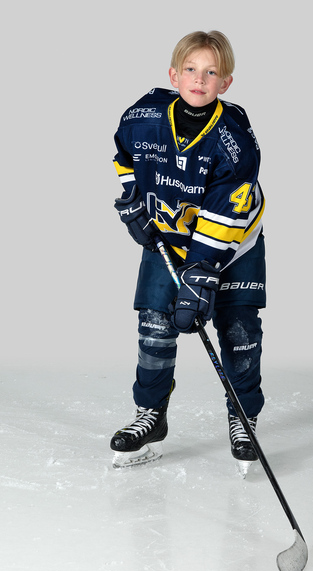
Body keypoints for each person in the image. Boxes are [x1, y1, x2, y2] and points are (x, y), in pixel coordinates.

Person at [110, 31, 266, 472]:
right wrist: (133, 200)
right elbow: (125, 157)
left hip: (232, 244)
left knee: (237, 330)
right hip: (169, 237)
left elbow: (226, 212)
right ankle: (151, 414)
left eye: (211, 72)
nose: (200, 79)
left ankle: (244, 417)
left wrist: (201, 274)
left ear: (225, 83)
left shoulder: (234, 140)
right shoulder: (142, 117)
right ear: (174, 75)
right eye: (191, 69)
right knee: (155, 326)